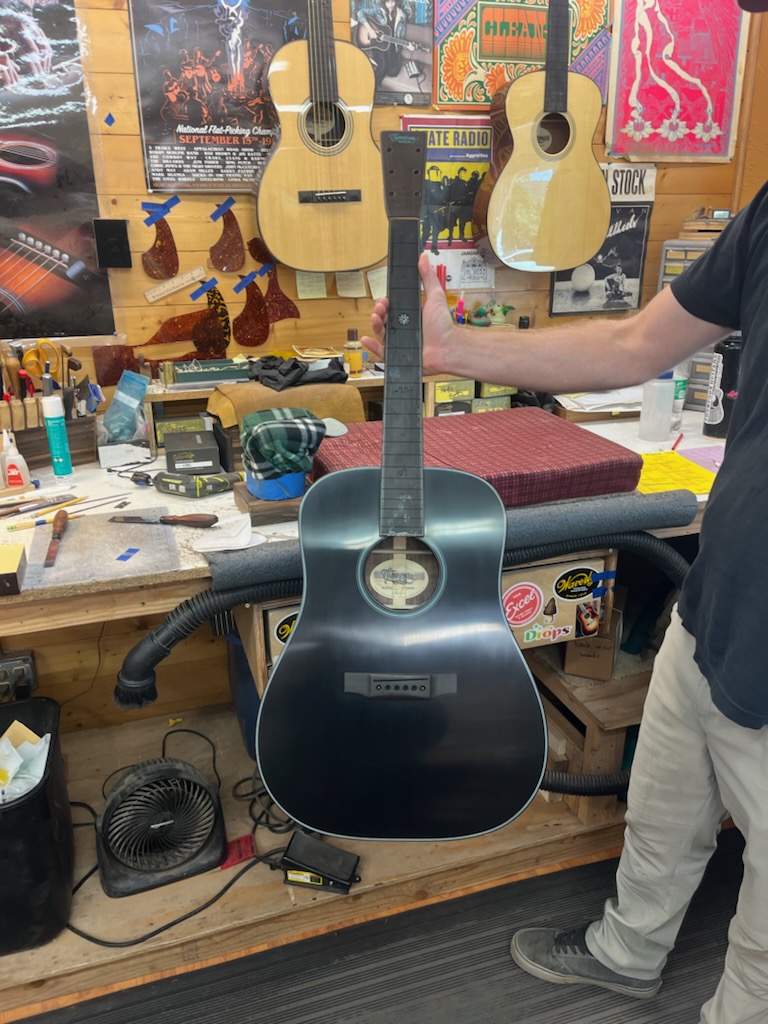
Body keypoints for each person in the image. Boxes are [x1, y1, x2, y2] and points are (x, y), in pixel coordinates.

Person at [362, 7, 768, 1018]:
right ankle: (627, 953)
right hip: (718, 605)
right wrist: (451, 349)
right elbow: (633, 345)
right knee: (663, 807)